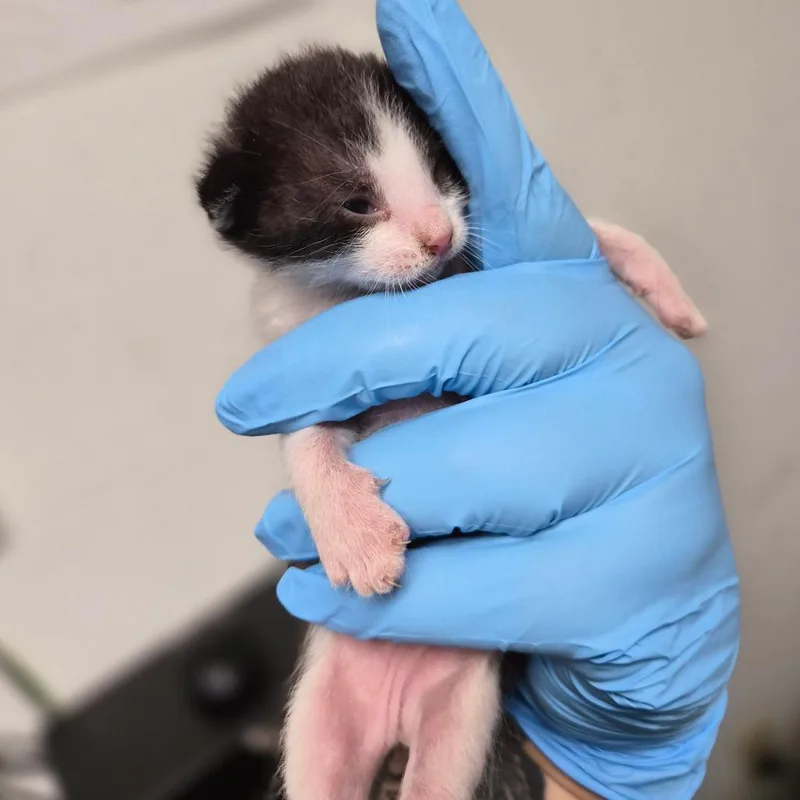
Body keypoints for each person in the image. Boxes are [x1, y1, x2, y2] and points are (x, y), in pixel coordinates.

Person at [216, 0, 740, 797]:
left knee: (458, 719)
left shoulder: (450, 250)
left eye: (437, 179)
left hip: (481, 629)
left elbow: (561, 274)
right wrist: (328, 489)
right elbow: (312, 428)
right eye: (359, 205)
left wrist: (609, 252)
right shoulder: (290, 309)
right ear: (240, 217)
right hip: (370, 619)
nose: (436, 232)